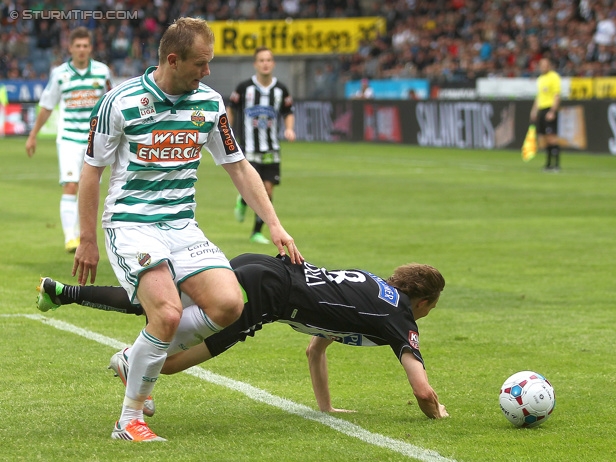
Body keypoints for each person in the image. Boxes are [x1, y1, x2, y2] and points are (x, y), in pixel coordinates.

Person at [73, 18, 303, 442]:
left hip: (182, 225)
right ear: (173, 59)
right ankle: (129, 421)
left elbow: (237, 165)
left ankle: (133, 359)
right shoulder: (119, 102)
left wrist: (275, 224)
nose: (208, 71)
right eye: (201, 63)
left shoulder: (210, 104)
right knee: (166, 312)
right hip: (131, 223)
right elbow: (91, 173)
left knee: (230, 305)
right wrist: (87, 238)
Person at [38, 253, 448, 420]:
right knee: (177, 359)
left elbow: (315, 347)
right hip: (268, 297)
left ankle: (63, 292)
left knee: (159, 302)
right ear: (424, 301)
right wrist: (439, 413)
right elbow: (424, 393)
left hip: (262, 267)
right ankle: (132, 362)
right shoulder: (397, 317)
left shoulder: (374, 288)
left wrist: (327, 408)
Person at [25, 27, 112, 253]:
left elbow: (112, 104)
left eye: (85, 46)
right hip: (69, 140)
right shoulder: (60, 74)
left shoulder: (102, 72)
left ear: (90, 48)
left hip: (95, 140)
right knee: (71, 185)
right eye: (78, 46)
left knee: (89, 187)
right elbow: (46, 105)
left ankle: (86, 236)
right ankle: (70, 237)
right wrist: (33, 135)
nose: (82, 50)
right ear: (70, 48)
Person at [228, 47, 296, 245]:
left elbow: (288, 111)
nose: (265, 63)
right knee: (253, 187)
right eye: (261, 60)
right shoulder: (244, 88)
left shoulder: (281, 89)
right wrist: (227, 130)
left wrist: (289, 129)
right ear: (255, 64)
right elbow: (230, 109)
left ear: (273, 64)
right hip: (248, 148)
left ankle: (256, 232)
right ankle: (243, 200)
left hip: (271, 149)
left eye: (268, 60)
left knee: (268, 191)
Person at [529, 57, 562, 172]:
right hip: (542, 109)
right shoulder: (540, 78)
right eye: (541, 65)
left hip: (549, 108)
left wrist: (553, 111)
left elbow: (556, 95)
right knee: (544, 139)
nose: (543, 67)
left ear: (549, 66)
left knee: (552, 137)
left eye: (545, 65)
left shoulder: (554, 77)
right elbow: (539, 96)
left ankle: (556, 164)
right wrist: (534, 110)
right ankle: (548, 164)